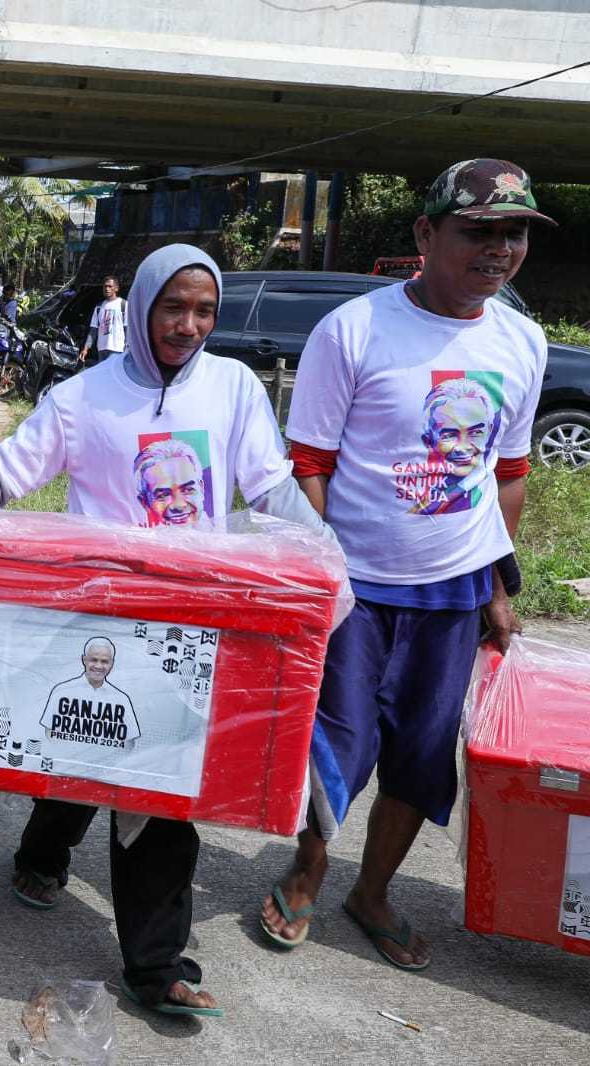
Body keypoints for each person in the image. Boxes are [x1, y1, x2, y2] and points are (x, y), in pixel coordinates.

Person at [0, 243, 335, 1016]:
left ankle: (154, 967)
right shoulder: (84, 398)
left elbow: (271, 485)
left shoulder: (234, 388)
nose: (188, 325)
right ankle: (43, 851)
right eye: (173, 307)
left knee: (161, 792)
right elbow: (7, 472)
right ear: (143, 305)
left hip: (189, 627)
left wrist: (324, 555)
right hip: (97, 619)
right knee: (75, 752)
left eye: (204, 310)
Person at [258, 159, 550, 971]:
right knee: (336, 740)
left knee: (422, 753)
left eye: (514, 233)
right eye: (477, 231)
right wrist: (324, 573)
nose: (499, 250)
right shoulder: (352, 330)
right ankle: (310, 869)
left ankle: (373, 890)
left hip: (454, 588)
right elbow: (308, 463)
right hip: (358, 585)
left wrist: (495, 586)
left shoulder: (521, 341)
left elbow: (509, 475)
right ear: (426, 234)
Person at [82, 276, 127, 364]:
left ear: (116, 288)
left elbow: (127, 329)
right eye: (105, 286)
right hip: (102, 350)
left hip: (118, 349)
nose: (107, 288)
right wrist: (86, 348)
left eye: (110, 286)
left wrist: (127, 348)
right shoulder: (99, 307)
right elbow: (93, 331)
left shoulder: (124, 305)